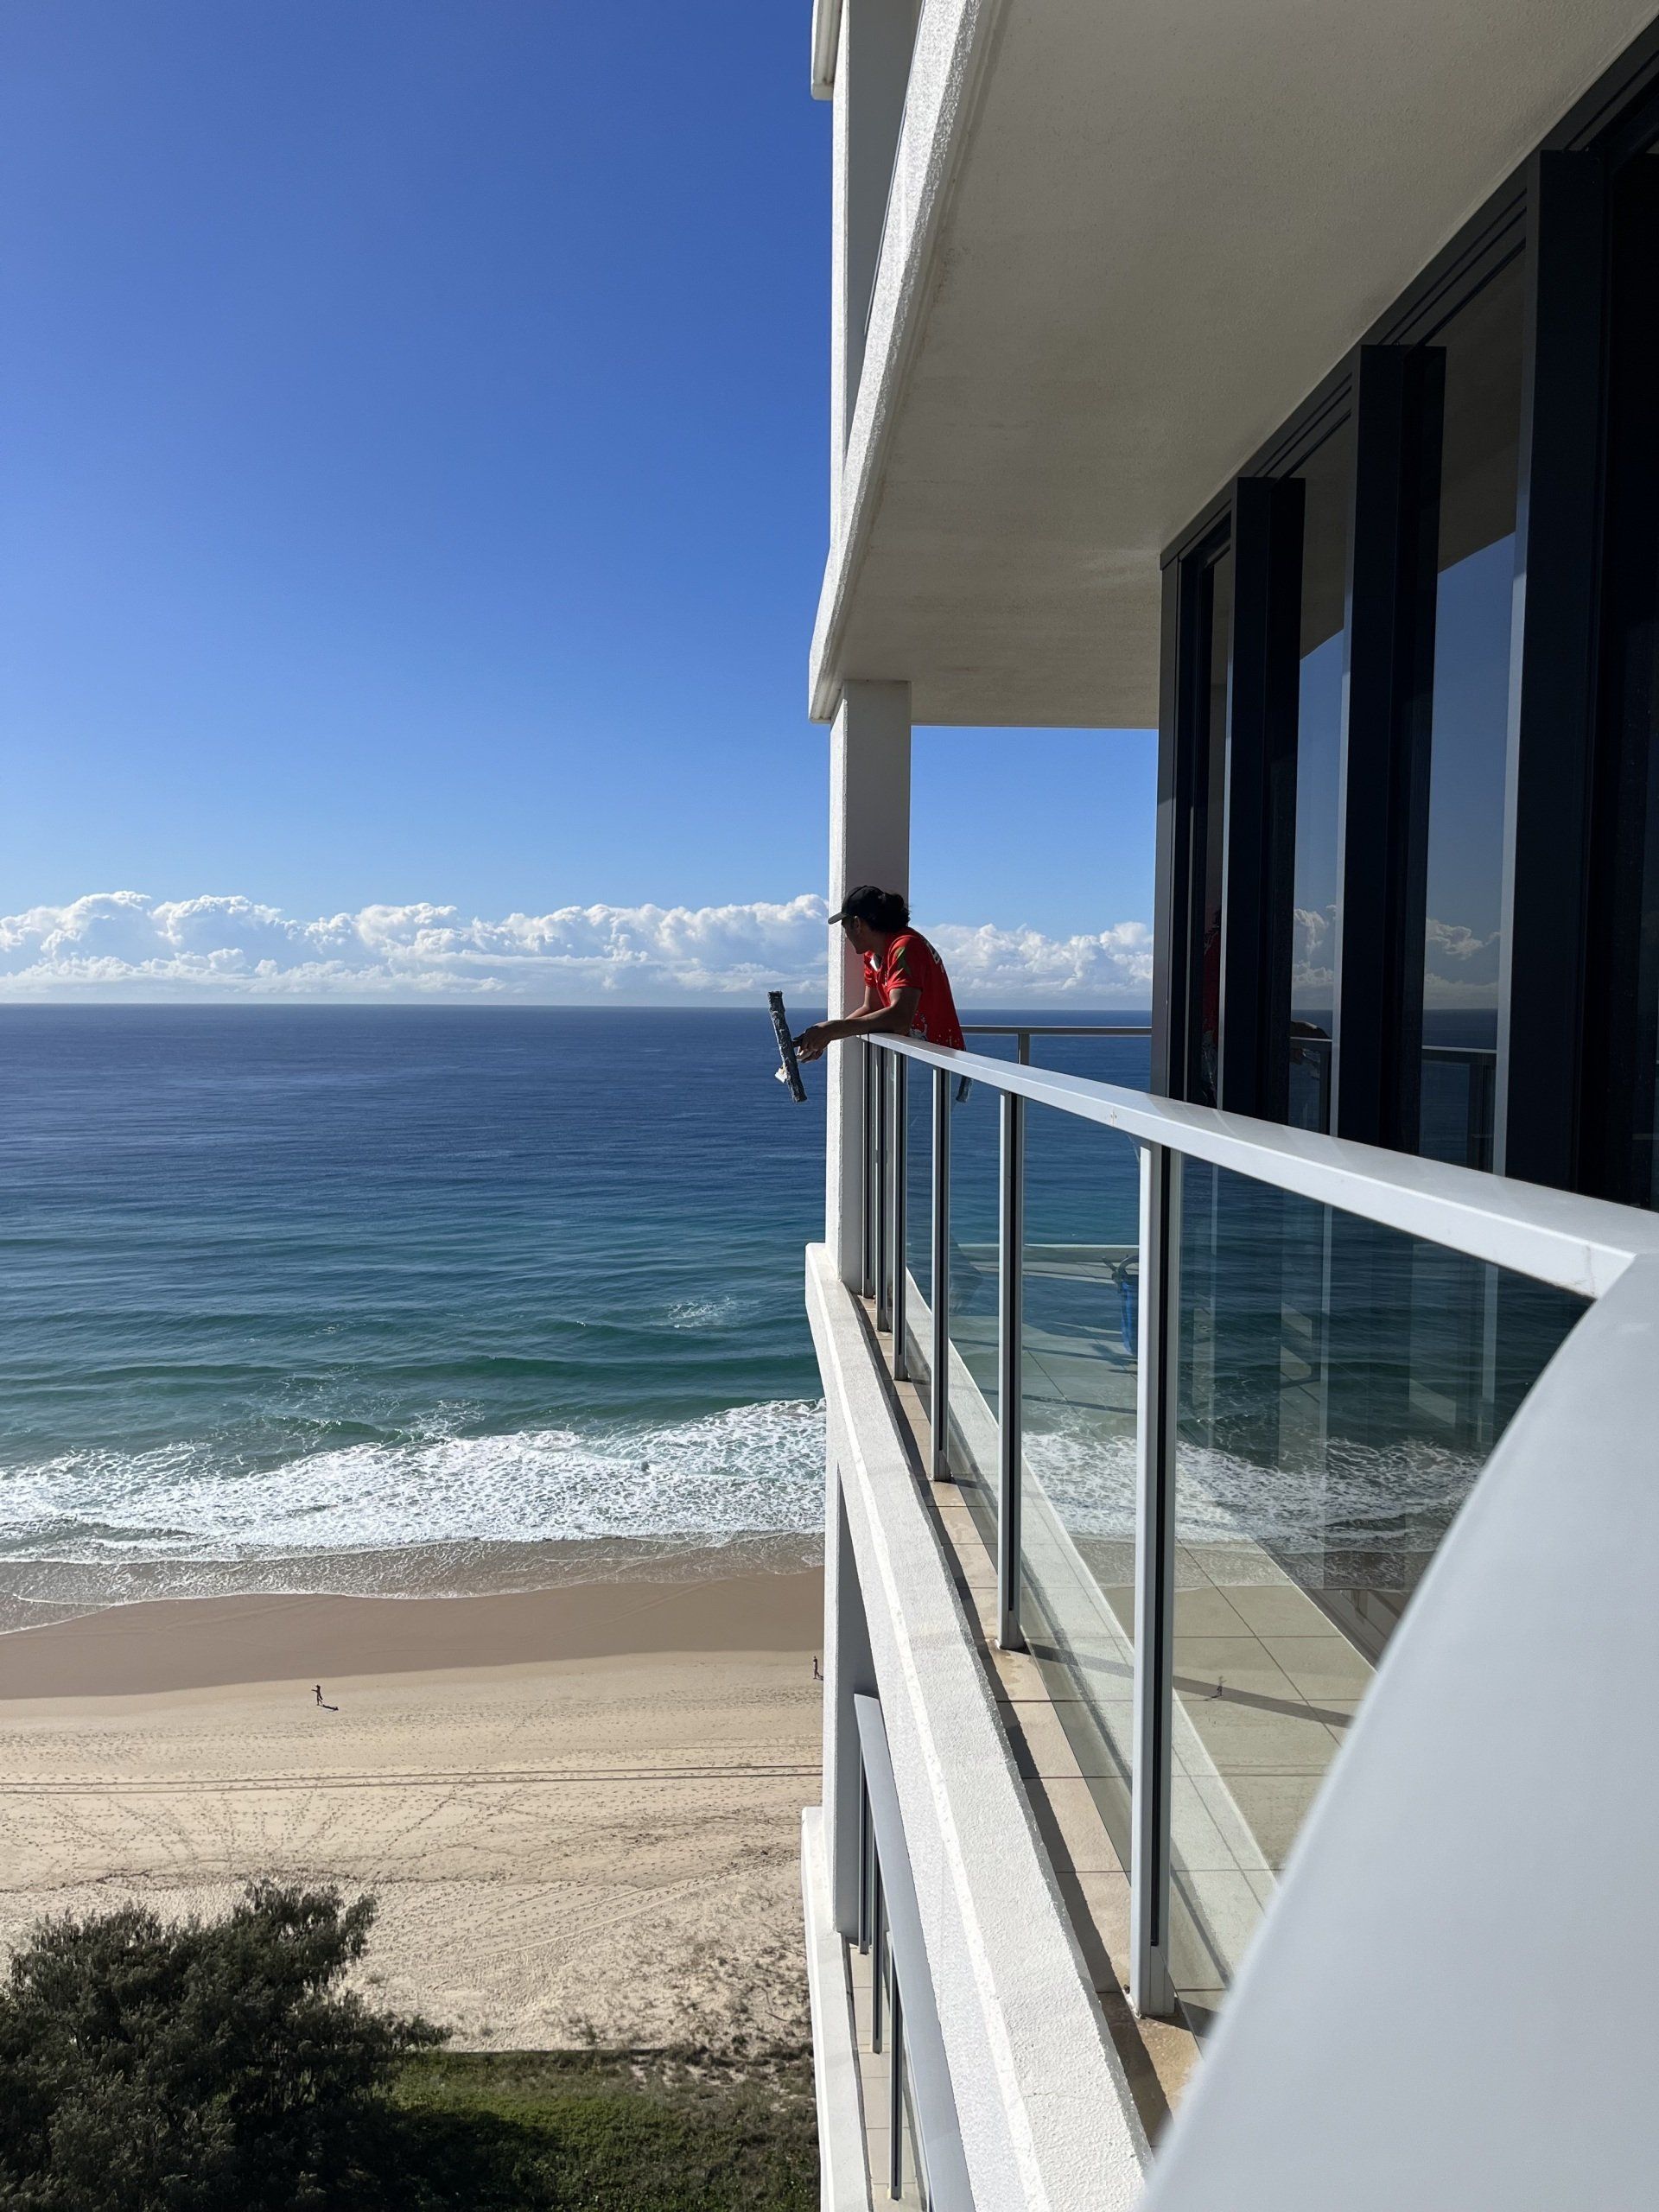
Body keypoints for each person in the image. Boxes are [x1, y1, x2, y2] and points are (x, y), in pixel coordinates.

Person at [797, 886, 964, 1062]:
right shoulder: (873, 955)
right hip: (919, 1059)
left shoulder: (905, 947)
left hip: (942, 1066)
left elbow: (900, 1018)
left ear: (857, 923)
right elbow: (872, 1007)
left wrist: (831, 1030)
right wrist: (826, 1036)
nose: (846, 935)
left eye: (845, 927)